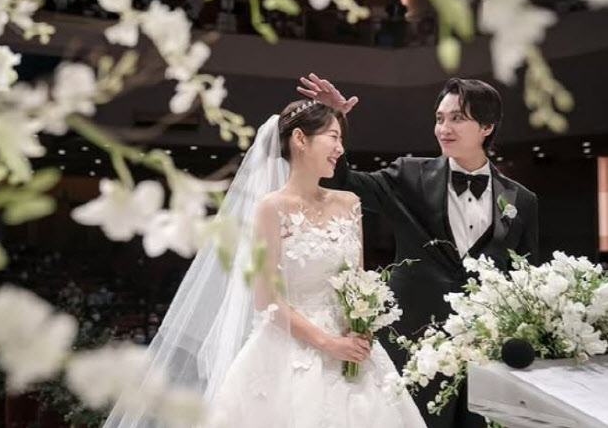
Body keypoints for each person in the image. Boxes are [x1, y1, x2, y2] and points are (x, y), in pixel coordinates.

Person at [103, 100, 426, 428]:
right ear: (299, 139)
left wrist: (361, 328)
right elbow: (265, 300)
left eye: (341, 139)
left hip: (351, 349)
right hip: (289, 350)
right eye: (333, 137)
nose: (340, 149)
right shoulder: (271, 208)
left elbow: (358, 283)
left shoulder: (350, 203)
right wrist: (328, 344)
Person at [297, 74, 539, 428]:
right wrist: (331, 120)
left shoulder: (522, 200)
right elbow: (342, 181)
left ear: (487, 127)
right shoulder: (409, 175)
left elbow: (525, 280)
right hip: (413, 342)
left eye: (457, 118)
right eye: (440, 118)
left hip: (485, 352)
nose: (444, 128)